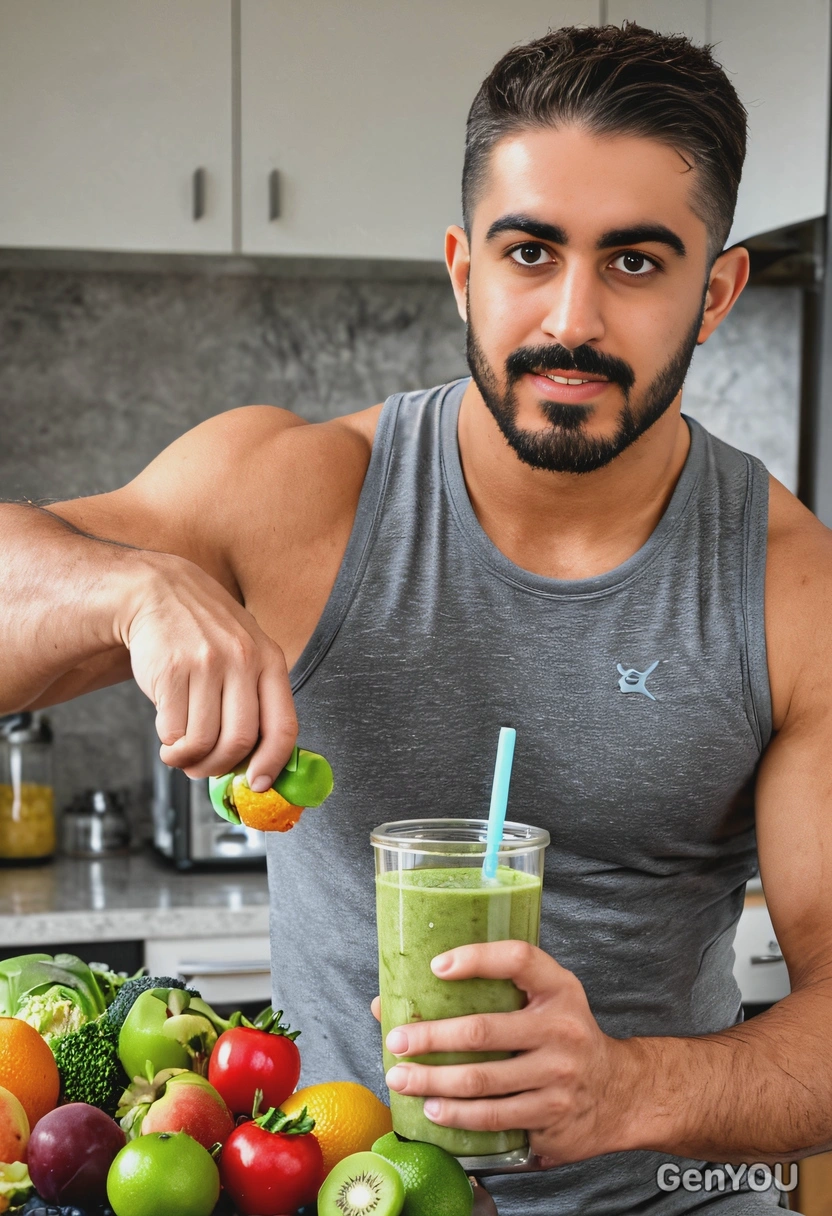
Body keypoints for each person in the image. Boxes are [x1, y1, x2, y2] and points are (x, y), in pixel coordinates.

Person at [1, 21, 829, 1214]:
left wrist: (625, 1091)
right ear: (461, 269)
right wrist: (132, 585)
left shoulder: (788, 587)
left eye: (637, 263)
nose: (573, 318)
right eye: (530, 251)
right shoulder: (301, 494)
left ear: (718, 291)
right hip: (340, 1187)